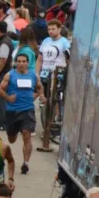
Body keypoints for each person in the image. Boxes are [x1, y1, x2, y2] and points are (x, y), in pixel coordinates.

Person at [0, 53, 44, 174]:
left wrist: (40, 96)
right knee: (12, 138)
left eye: (24, 61)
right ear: (15, 63)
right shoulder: (10, 75)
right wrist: (8, 98)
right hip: (12, 111)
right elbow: (0, 89)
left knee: (26, 134)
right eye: (19, 61)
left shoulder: (33, 75)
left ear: (28, 63)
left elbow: (39, 87)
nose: (21, 64)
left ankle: (26, 163)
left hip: (27, 110)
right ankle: (13, 133)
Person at [35, 19, 70, 152]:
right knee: (43, 102)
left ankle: (53, 126)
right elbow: (40, 59)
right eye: (49, 29)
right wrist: (37, 73)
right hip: (45, 75)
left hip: (58, 76)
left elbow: (69, 59)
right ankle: (46, 128)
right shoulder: (45, 41)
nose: (51, 31)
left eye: (53, 29)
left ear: (59, 29)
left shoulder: (64, 43)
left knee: (53, 101)